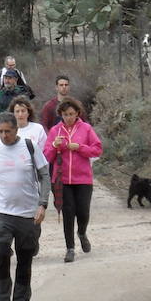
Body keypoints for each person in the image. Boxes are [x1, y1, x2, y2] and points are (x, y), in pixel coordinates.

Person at [0, 113, 51, 301]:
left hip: (28, 214)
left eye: (7, 131)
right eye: (0, 131)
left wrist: (42, 204)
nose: (3, 135)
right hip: (3, 213)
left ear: (15, 130)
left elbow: (45, 175)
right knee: (2, 254)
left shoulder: (30, 147)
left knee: (24, 259)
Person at [44, 98, 104, 263]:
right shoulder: (55, 131)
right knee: (68, 213)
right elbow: (46, 156)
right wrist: (55, 146)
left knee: (83, 212)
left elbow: (97, 150)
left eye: (71, 114)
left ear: (78, 113)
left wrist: (80, 148)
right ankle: (70, 248)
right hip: (62, 179)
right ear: (61, 115)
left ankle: (82, 232)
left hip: (83, 178)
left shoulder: (86, 128)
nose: (68, 117)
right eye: (65, 114)